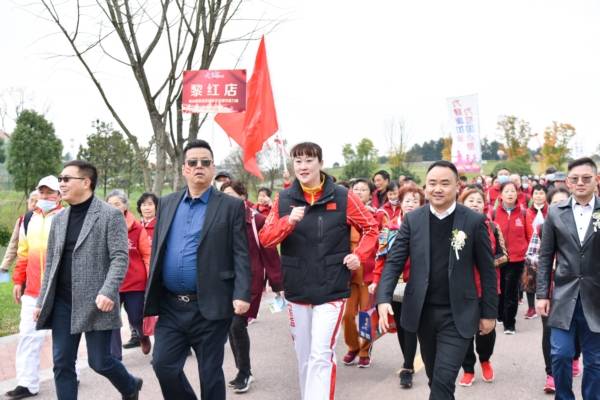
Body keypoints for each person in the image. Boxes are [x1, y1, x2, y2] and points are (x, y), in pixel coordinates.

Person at [259, 142, 379, 400]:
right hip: (297, 286)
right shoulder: (284, 198)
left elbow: (371, 228)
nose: (303, 166)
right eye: (298, 161)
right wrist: (288, 222)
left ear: (320, 164)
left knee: (321, 354)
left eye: (309, 160)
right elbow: (266, 239)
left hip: (331, 286)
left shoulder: (342, 196)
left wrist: (359, 255)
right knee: (304, 355)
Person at [377, 160, 497, 400]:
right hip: (423, 313)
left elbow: (487, 271)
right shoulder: (413, 220)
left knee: (443, 382)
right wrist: (383, 298)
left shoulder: (473, 221)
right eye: (432, 183)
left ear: (457, 186)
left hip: (458, 313)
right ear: (426, 186)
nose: (437, 189)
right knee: (435, 379)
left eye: (445, 183)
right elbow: (394, 262)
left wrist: (489, 313)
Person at [143, 139, 251, 400]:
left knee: (209, 373)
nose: (199, 166)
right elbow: (158, 249)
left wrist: (242, 293)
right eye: (193, 162)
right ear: (184, 169)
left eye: (205, 162)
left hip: (211, 304)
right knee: (163, 365)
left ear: (213, 168)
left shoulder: (231, 206)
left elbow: (240, 253)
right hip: (171, 306)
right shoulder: (167, 203)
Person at [33, 160, 143, 400]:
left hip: (97, 301)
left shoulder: (110, 215)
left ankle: (130, 386)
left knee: (100, 361)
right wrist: (42, 300)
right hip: (62, 302)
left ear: (86, 182)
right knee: (62, 363)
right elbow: (51, 264)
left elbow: (120, 258)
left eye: (66, 179)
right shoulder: (59, 219)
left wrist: (108, 290)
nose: (61, 184)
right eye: (60, 179)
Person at [537, 157, 600, 400]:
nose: (580, 183)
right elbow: (545, 256)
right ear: (568, 182)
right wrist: (542, 294)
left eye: (586, 178)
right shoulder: (555, 212)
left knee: (595, 360)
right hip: (564, 296)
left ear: (596, 180)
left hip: (596, 297)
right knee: (560, 354)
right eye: (575, 179)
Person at [220, 180, 283, 393]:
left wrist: (277, 283)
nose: (226, 200)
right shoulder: (219, 219)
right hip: (226, 280)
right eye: (223, 195)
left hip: (250, 280)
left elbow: (270, 252)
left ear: (242, 196)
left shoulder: (257, 220)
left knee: (237, 324)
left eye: (230, 195)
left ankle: (244, 372)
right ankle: (242, 370)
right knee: (230, 325)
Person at [4, 178, 62, 400]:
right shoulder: (28, 219)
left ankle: (71, 373)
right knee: (28, 336)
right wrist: (18, 281)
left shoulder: (67, 217)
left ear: (59, 195)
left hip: (60, 291)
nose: (45, 197)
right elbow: (23, 254)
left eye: (50, 193)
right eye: (42, 192)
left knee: (64, 338)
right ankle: (27, 383)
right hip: (33, 290)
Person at [369, 184, 425, 389]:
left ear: (422, 205)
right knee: (403, 325)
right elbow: (381, 258)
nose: (410, 204)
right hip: (398, 285)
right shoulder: (390, 227)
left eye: (415, 201)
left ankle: (424, 361)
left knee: (423, 326)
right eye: (407, 200)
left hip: (422, 284)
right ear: (400, 203)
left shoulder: (427, 226)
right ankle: (408, 366)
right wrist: (377, 281)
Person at [457, 187, 508, 387]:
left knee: (486, 329)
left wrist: (484, 261)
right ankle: (468, 369)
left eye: (479, 201)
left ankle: (485, 360)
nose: (475, 204)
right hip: (462, 288)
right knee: (463, 331)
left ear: (484, 205)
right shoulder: (456, 227)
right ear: (462, 203)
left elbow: (504, 255)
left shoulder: (492, 226)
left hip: (487, 286)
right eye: (470, 200)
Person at [106, 190, 152, 359]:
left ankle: (142, 335)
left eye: (117, 204)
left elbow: (147, 255)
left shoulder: (137, 229)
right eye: (110, 204)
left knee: (136, 317)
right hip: (112, 283)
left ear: (125, 206)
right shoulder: (102, 227)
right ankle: (115, 357)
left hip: (135, 282)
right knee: (112, 321)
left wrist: (150, 277)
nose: (113, 207)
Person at [341, 178, 378, 368]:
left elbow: (382, 244)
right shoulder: (343, 216)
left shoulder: (377, 215)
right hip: (348, 273)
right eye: (356, 189)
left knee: (366, 315)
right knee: (346, 315)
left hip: (368, 273)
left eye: (364, 189)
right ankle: (353, 346)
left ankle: (364, 350)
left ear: (370, 194)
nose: (359, 192)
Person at [492, 180, 532, 334]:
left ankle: (509, 324)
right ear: (501, 195)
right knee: (500, 289)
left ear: (517, 194)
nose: (510, 194)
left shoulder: (524, 213)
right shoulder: (494, 213)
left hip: (517, 259)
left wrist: (525, 251)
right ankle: (500, 315)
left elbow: (529, 236)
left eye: (513, 191)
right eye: (507, 191)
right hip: (498, 258)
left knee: (511, 291)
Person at [523, 184, 549, 319]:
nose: (538, 196)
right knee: (530, 279)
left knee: (545, 278)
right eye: (536, 193)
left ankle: (546, 304)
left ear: (546, 195)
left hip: (547, 248)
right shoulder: (526, 212)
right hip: (530, 250)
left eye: (541, 193)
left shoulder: (551, 211)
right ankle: (531, 307)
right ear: (532, 195)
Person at [1, 191, 39, 273]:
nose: (33, 204)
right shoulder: (22, 220)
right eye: (31, 200)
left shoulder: (48, 220)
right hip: (24, 265)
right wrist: (4, 266)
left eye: (37, 201)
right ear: (27, 201)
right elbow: (13, 244)